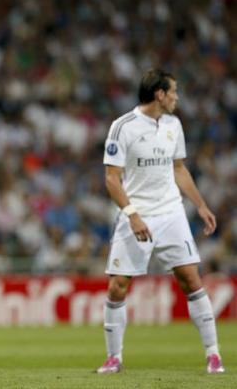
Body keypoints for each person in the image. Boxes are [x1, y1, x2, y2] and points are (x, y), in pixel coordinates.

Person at [98, 68, 224, 374]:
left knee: (191, 280)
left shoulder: (173, 125)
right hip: (135, 213)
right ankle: (114, 358)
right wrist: (133, 215)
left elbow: (178, 169)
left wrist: (201, 204)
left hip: (171, 213)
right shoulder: (122, 126)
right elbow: (112, 179)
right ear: (160, 94)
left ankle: (213, 355)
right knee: (117, 286)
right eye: (174, 92)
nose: (177, 98)